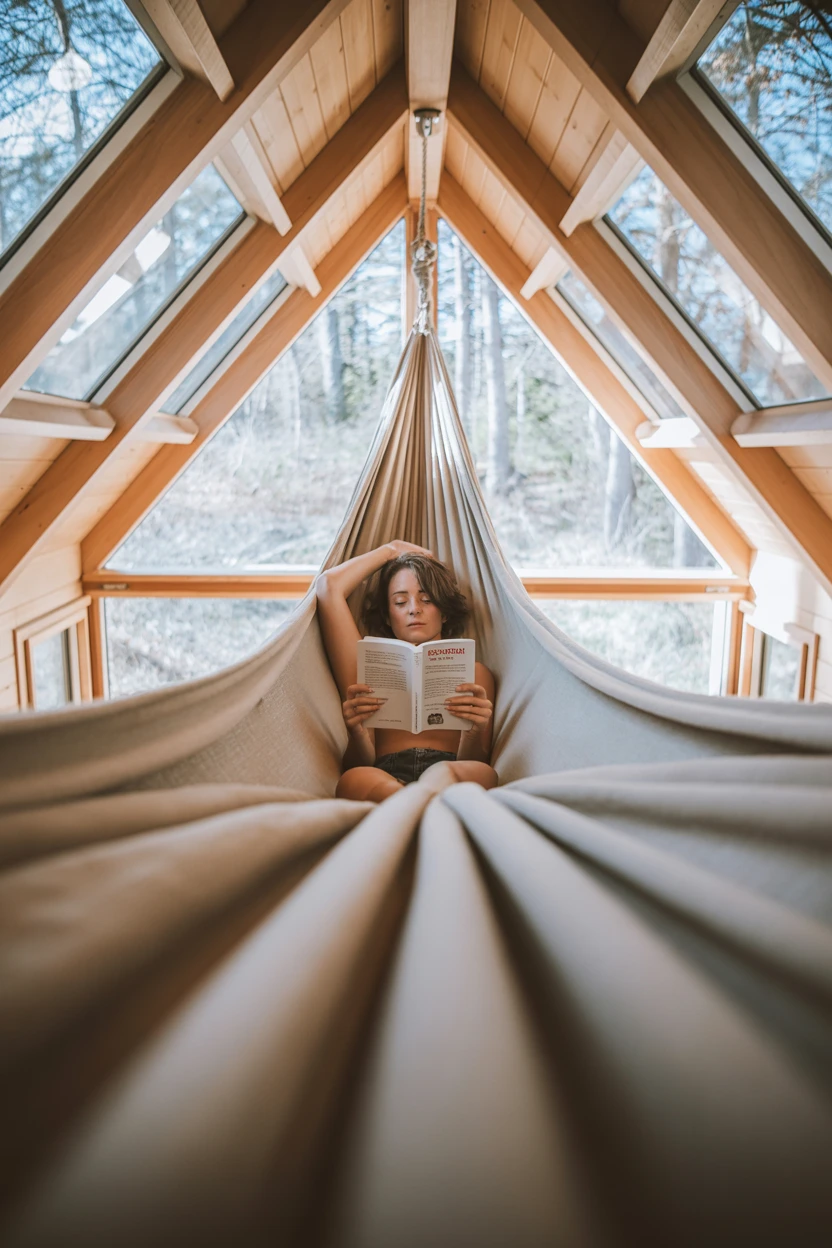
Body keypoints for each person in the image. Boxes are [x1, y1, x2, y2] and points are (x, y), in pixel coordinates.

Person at [316, 540, 498, 802]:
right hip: (387, 776)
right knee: (353, 779)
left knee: (483, 773)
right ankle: (417, 802)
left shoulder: (475, 673)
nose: (414, 608)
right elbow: (328, 587)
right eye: (401, 602)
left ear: (444, 612)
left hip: (449, 771)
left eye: (427, 599)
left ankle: (406, 804)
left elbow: (477, 760)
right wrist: (390, 550)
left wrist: (473, 732)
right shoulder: (367, 667)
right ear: (388, 617)